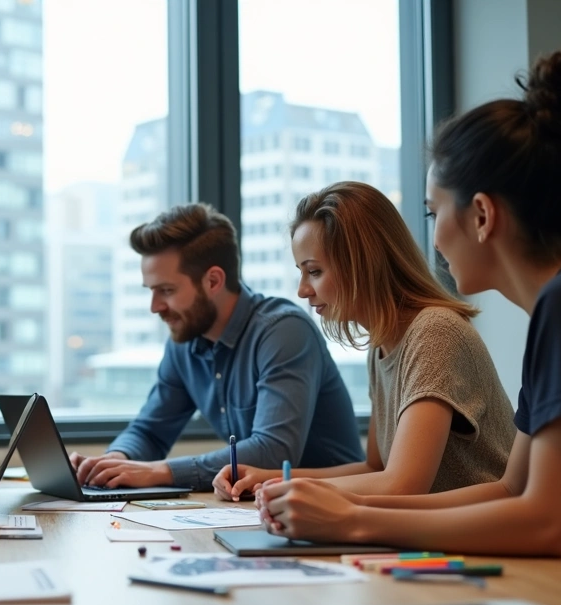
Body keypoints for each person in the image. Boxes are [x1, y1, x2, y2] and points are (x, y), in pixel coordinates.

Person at [258, 50, 561, 592]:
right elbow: (513, 489)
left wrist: (354, 520)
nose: (435, 236)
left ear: (483, 216)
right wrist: (348, 513)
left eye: (433, 211)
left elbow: (547, 522)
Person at [214, 182, 515, 502]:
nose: (303, 290)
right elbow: (376, 467)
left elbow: (402, 485)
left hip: (483, 539)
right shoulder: (381, 342)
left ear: (363, 264)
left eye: (313, 271)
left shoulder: (435, 332)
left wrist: (291, 488)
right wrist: (270, 477)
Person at [70, 203, 364, 492]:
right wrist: (112, 463)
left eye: (167, 290)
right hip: (260, 506)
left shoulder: (283, 331)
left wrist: (160, 471)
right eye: (151, 291)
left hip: (336, 503)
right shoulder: (185, 339)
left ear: (213, 281)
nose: (155, 307)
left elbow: (274, 450)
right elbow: (149, 430)